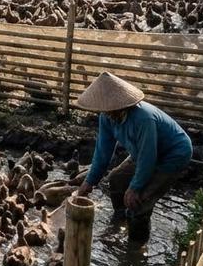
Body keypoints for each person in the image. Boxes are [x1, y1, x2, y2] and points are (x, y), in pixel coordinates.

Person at [75, 72, 193, 243]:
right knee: (115, 179)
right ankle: (120, 221)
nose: (105, 111)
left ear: (119, 105)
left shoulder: (143, 119)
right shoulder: (106, 117)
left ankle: (136, 247)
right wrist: (89, 181)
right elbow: (103, 150)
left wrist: (135, 188)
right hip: (142, 152)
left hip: (172, 155)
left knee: (138, 203)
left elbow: (148, 157)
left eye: (108, 108)